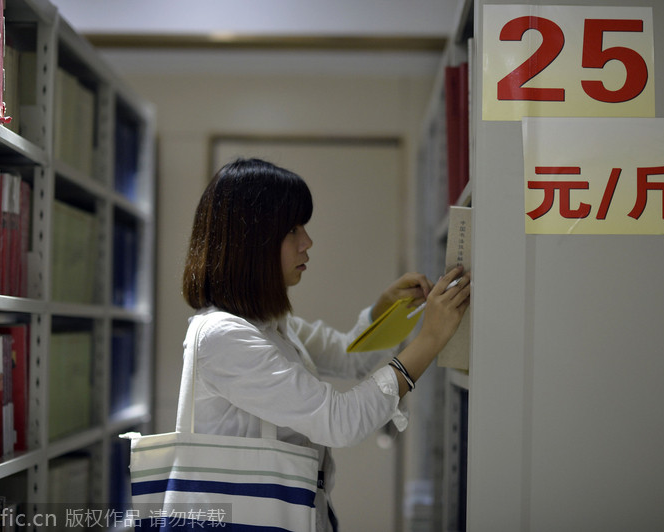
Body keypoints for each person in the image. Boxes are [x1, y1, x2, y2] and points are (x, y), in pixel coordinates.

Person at [178, 157, 470, 531]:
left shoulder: (268, 325)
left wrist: (384, 311)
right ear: (251, 243)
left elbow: (351, 357)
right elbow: (340, 421)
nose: (307, 242)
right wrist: (431, 339)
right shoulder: (225, 337)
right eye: (292, 229)